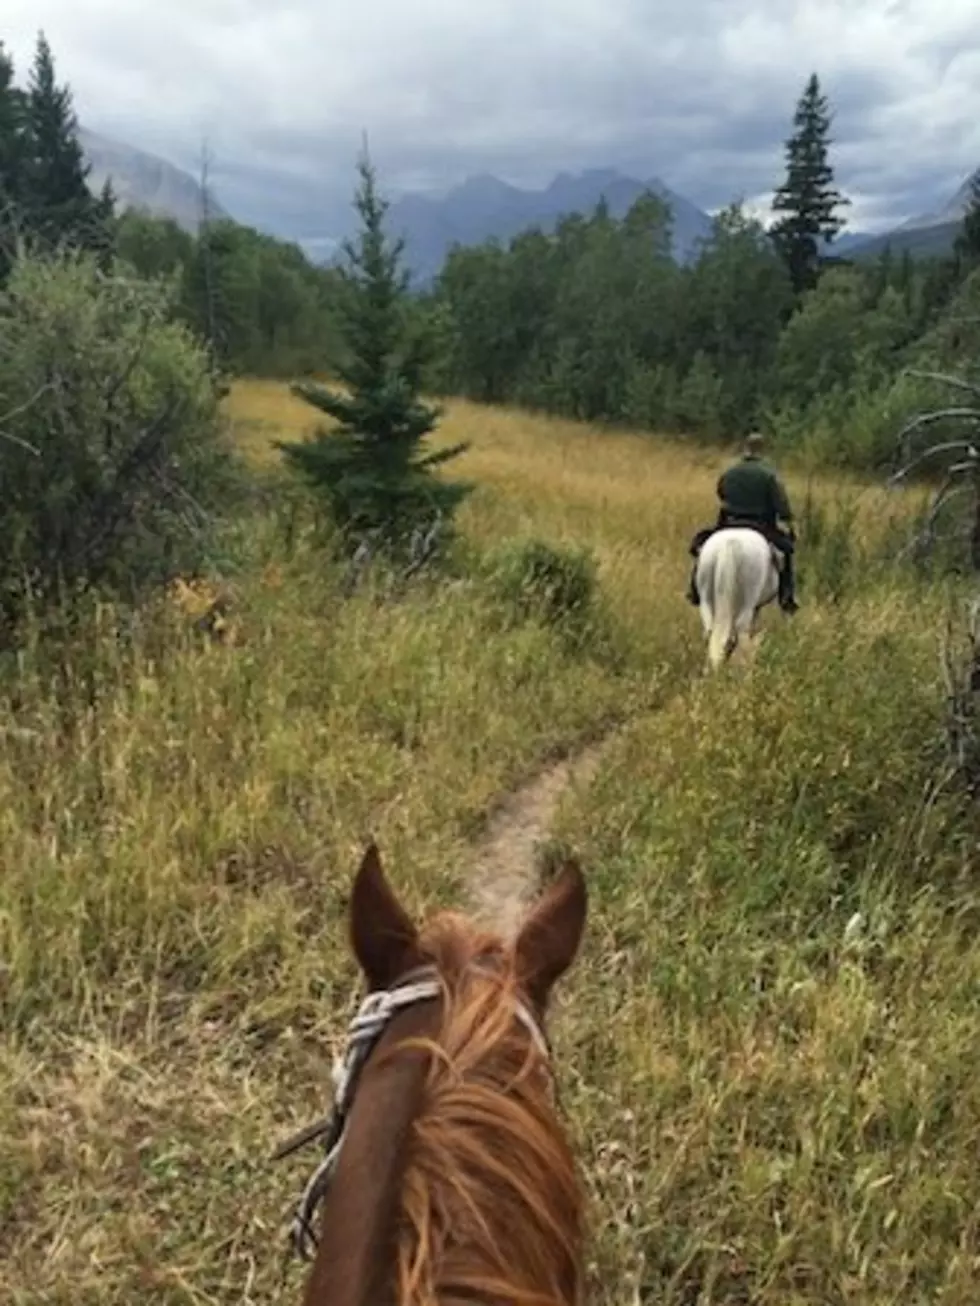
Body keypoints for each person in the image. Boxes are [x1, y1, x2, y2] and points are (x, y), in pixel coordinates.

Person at [686, 430, 799, 614]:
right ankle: (787, 596)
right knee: (787, 553)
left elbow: (721, 493)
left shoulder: (730, 472)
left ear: (745, 448)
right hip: (761, 525)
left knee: (703, 547)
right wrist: (787, 520)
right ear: (763, 450)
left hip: (730, 521)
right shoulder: (769, 474)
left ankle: (694, 589)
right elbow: (781, 505)